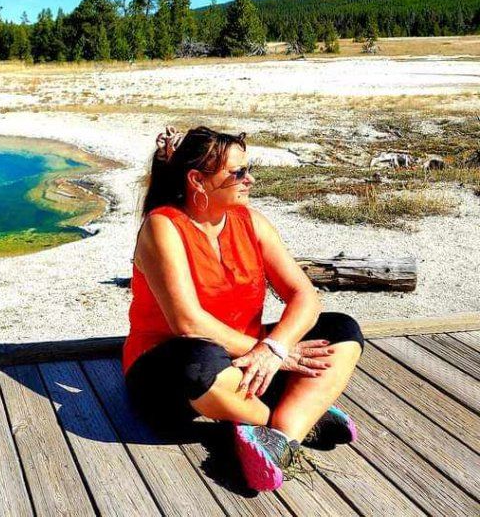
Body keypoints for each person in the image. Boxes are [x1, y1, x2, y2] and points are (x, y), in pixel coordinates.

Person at [122, 125, 364, 492]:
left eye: (250, 169)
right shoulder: (163, 226)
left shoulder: (252, 222)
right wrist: (266, 352)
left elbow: (306, 296)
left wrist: (275, 347)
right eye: (237, 173)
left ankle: (281, 437)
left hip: (248, 362)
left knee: (342, 330)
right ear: (197, 181)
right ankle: (298, 416)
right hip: (170, 372)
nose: (249, 180)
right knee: (198, 362)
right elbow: (187, 322)